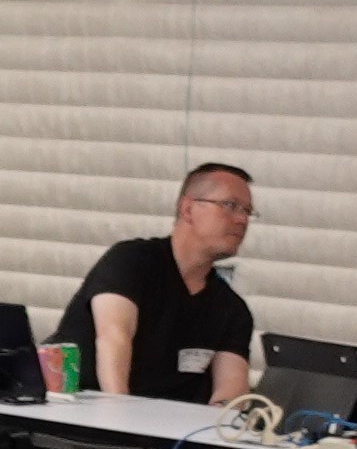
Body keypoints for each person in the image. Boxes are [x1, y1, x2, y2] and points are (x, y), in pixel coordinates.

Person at [51, 162, 255, 405]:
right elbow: (113, 336)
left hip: (167, 434)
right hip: (85, 418)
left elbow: (231, 393)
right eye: (230, 206)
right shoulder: (131, 261)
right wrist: (118, 414)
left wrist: (221, 424)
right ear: (188, 209)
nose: (242, 220)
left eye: (247, 211)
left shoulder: (232, 309)